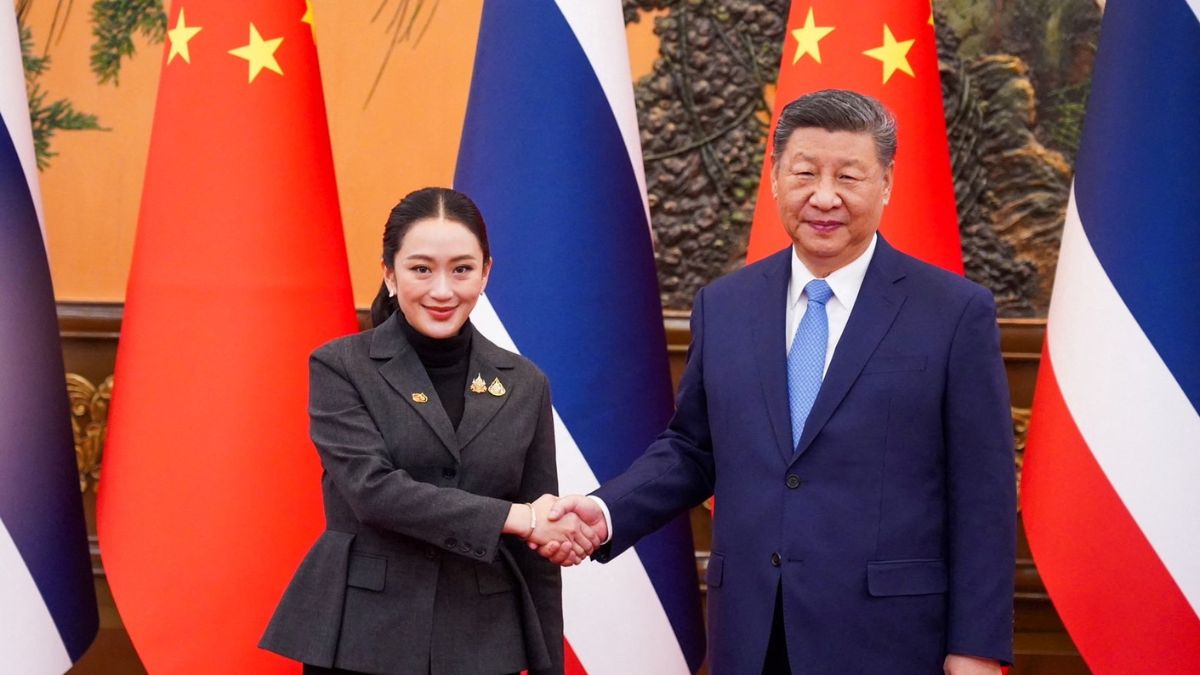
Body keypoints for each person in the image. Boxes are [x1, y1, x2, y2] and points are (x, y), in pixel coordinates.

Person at [542, 90, 1016, 674]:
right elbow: (693, 450)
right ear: (774, 178)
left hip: (890, 639)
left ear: (886, 183)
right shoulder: (725, 305)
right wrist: (606, 511)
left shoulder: (953, 312)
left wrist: (977, 648)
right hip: (752, 634)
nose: (824, 196)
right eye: (805, 173)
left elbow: (983, 495)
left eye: (849, 176)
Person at [260, 187, 598, 675]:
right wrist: (519, 517)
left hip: (484, 643)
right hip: (363, 638)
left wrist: (548, 668)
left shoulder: (524, 383)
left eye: (461, 269)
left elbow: (539, 551)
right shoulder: (341, 367)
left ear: (485, 274)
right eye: (422, 269)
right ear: (390, 274)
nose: (443, 290)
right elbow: (373, 492)